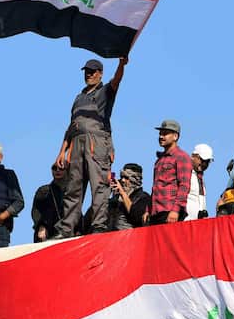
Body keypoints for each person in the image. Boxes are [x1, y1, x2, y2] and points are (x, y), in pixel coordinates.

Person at [55, 56, 127, 237]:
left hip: (96, 143)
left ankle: (98, 226)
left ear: (100, 74)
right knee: (73, 188)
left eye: (92, 72)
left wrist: (121, 64)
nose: (88, 75)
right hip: (76, 144)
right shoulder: (79, 98)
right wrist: (61, 152)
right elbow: (71, 126)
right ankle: (66, 229)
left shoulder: (105, 92)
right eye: (86, 72)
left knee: (99, 186)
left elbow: (117, 81)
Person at [150, 119, 192, 225]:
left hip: (170, 212)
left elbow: (184, 186)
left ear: (175, 136)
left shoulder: (182, 157)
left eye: (165, 134)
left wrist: (175, 210)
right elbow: (155, 187)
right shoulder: (159, 160)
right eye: (160, 134)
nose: (161, 137)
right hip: (156, 213)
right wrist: (148, 210)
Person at [31, 163, 77, 242]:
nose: (57, 170)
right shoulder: (44, 190)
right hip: (47, 232)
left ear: (68, 170)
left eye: (61, 168)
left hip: (69, 233)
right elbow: (36, 211)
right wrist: (41, 226)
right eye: (54, 168)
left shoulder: (73, 191)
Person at [107, 163, 152, 231]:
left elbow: (137, 218)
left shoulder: (144, 198)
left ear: (136, 180)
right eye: (121, 177)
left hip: (130, 238)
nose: (122, 180)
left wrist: (122, 193)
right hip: (109, 238)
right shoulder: (115, 199)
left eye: (126, 177)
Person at [186, 143, 214, 220]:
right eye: (202, 160)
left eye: (207, 161)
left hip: (199, 224)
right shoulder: (184, 173)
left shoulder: (200, 178)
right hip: (184, 222)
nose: (204, 164)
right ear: (193, 156)